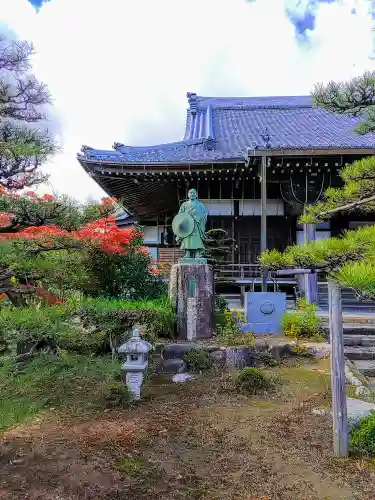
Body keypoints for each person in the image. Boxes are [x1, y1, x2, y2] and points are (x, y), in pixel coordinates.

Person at [177, 188, 208, 259]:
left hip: (197, 224)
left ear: (196, 195)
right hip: (188, 225)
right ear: (188, 195)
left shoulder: (200, 204)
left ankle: (197, 253)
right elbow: (180, 215)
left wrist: (199, 218)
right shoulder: (184, 205)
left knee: (197, 238)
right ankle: (187, 253)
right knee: (187, 238)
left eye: (194, 193)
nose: (192, 194)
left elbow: (204, 214)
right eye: (190, 193)